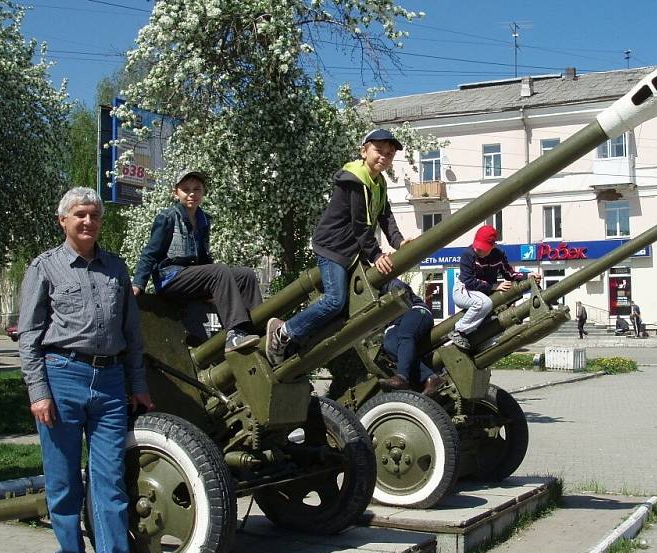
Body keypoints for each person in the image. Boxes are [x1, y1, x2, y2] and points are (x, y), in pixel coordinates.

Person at [18, 188, 154, 553]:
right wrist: (38, 391)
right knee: (62, 480)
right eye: (79, 215)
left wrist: (139, 386)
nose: (88, 222)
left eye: (94, 215)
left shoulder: (116, 268)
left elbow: (131, 334)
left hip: (110, 384)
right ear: (63, 220)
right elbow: (28, 336)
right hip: (62, 379)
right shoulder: (45, 268)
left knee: (110, 480)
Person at [266, 129, 406, 366]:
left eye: (389, 154)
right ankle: (283, 332)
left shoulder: (378, 183)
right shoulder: (355, 179)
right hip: (333, 247)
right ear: (364, 151)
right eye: (378, 151)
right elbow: (360, 224)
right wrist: (376, 255)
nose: (384, 156)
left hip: (350, 251)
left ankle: (298, 343)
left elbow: (385, 216)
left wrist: (399, 242)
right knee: (334, 301)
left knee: (349, 308)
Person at [132, 168, 262, 353]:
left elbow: (203, 258)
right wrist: (138, 284)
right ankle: (233, 335)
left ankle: (257, 327)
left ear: (203, 192)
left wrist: (213, 287)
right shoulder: (167, 217)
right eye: (186, 189)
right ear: (176, 193)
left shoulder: (203, 220)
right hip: (171, 278)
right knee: (219, 270)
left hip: (192, 279)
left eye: (197, 189)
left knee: (245, 275)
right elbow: (150, 253)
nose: (192, 194)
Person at [448, 225, 540, 350]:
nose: (478, 250)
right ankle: (458, 331)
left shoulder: (498, 255)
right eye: (477, 247)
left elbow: (510, 274)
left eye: (483, 248)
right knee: (483, 303)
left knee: (493, 319)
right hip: (463, 290)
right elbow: (469, 281)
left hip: (481, 292)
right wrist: (494, 287)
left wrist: (528, 275)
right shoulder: (468, 254)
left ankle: (480, 346)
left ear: (492, 247)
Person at [377, 279, 446, 396]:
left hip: (416, 311)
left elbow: (403, 296)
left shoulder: (389, 283)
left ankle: (402, 377)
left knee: (405, 335)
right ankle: (431, 378)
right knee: (390, 346)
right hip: (394, 323)